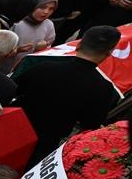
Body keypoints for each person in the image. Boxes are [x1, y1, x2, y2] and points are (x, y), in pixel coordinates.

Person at [15, 25, 123, 161]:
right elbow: (90, 124)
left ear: (79, 44)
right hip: (43, 146)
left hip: (15, 128)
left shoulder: (43, 67)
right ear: (109, 53)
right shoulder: (103, 88)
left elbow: (14, 90)